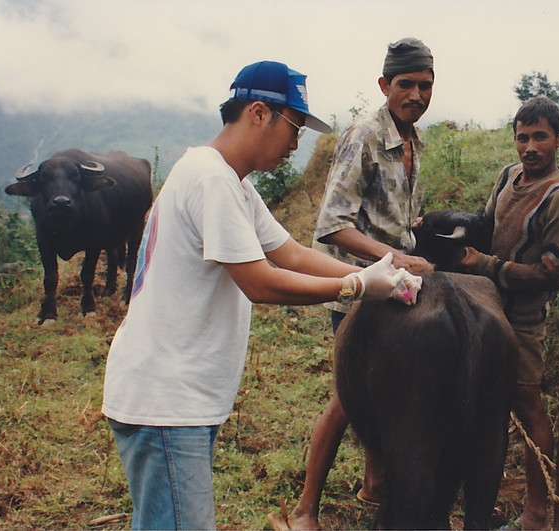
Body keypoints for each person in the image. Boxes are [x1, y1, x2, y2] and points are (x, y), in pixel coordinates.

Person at [101, 60, 423, 531]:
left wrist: (380, 272)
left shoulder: (232, 183)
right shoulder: (212, 179)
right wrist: (356, 286)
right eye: (293, 129)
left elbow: (289, 253)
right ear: (258, 112)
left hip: (176, 398)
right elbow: (260, 281)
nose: (296, 145)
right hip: (165, 400)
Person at [277, 38, 435, 530]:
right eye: (405, 84)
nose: (415, 94)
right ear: (384, 85)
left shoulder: (412, 140)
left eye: (424, 85)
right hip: (356, 283)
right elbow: (331, 223)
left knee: (389, 388)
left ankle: (374, 484)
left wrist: (420, 237)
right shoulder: (363, 136)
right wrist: (397, 256)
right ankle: (304, 510)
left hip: (397, 282)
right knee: (352, 395)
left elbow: (396, 216)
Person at [460, 96, 559, 529]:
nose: (530, 147)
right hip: (485, 305)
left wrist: (488, 266)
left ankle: (536, 510)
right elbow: (486, 227)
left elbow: (553, 273)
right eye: (522, 137)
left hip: (522, 319)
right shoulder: (509, 176)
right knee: (481, 400)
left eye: (540, 137)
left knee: (527, 403)